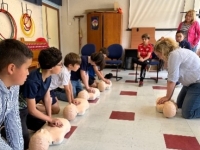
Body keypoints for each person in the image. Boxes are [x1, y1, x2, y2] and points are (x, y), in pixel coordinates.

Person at [19, 47, 63, 149]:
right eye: (60, 64)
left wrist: (49, 118)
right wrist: (50, 119)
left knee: (43, 125)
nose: (61, 66)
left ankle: (22, 125)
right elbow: (32, 110)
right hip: (19, 111)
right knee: (25, 142)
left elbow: (47, 97)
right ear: (51, 66)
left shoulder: (48, 75)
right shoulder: (32, 81)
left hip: (28, 110)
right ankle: (6, 128)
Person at [155, 38, 200, 119]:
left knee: (188, 113)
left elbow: (172, 80)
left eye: (158, 55)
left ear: (163, 51)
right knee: (179, 105)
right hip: (189, 84)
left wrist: (167, 97)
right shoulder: (175, 53)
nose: (159, 58)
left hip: (197, 84)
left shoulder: (174, 55)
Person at [0, 39, 33, 150]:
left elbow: (13, 118)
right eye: (26, 68)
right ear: (11, 68)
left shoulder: (14, 85)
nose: (28, 73)